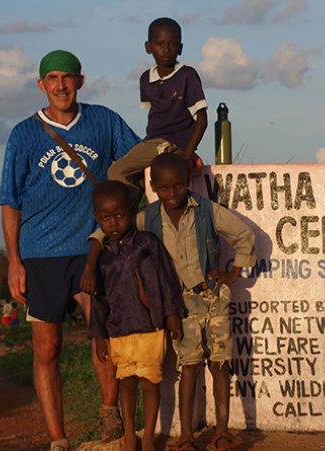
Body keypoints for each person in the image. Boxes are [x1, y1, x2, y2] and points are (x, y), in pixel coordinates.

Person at [0, 49, 141, 451]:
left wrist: (179, 158)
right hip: (40, 252)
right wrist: (13, 261)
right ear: (41, 85)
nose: (61, 85)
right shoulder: (23, 134)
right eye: (53, 78)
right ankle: (58, 438)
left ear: (80, 81)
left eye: (68, 77)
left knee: (105, 329)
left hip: (91, 246)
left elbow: (138, 158)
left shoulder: (104, 121)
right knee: (48, 347)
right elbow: (10, 201)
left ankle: (109, 413)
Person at [84, 153, 255, 451]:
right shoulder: (145, 218)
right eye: (163, 188)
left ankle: (222, 432)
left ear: (188, 182)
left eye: (178, 186)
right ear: (153, 187)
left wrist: (232, 273)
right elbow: (104, 232)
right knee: (188, 365)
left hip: (213, 295)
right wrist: (89, 264)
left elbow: (244, 234)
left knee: (220, 363)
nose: (172, 194)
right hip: (180, 302)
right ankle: (186, 434)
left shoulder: (206, 211)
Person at [87, 181, 187, 451]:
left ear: (131, 211)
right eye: (106, 218)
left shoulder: (147, 242)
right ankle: (130, 435)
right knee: (127, 383)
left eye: (119, 215)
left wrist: (172, 314)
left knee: (150, 381)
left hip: (150, 327)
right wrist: (98, 335)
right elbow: (99, 299)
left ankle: (148, 438)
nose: (114, 223)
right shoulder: (103, 257)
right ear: (97, 218)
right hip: (119, 330)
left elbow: (167, 278)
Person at [107, 17, 207, 207]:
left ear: (181, 48)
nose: (166, 49)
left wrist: (187, 156)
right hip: (153, 143)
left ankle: (126, 224)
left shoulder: (187, 75)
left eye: (172, 44)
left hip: (169, 144)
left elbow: (201, 120)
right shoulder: (146, 79)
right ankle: (135, 222)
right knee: (137, 179)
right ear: (148, 47)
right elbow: (156, 119)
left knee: (116, 171)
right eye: (160, 44)